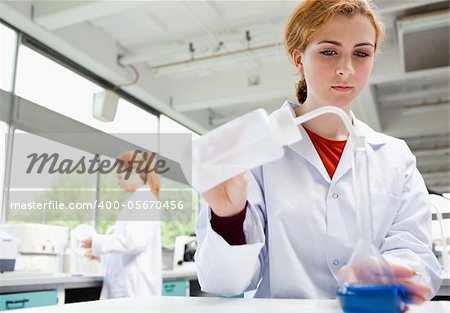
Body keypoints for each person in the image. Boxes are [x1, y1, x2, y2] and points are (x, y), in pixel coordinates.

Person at [195, 0, 442, 304]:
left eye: (361, 54)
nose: (346, 69)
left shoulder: (394, 156)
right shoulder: (254, 150)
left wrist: (386, 275)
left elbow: (415, 255)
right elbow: (225, 283)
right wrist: (228, 218)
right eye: (329, 51)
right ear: (299, 60)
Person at [83, 151, 162, 299]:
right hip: (129, 288)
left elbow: (133, 242)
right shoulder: (138, 199)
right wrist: (102, 257)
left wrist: (96, 241)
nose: (118, 181)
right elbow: (127, 250)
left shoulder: (144, 199)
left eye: (120, 176)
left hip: (136, 291)